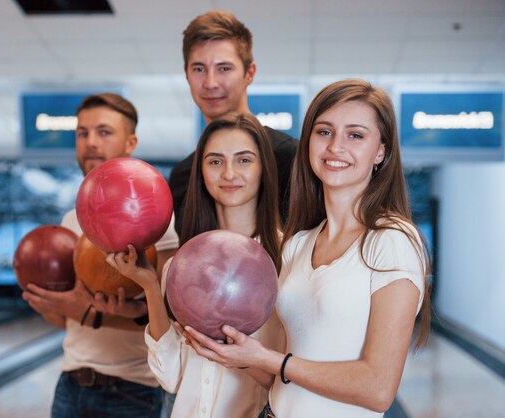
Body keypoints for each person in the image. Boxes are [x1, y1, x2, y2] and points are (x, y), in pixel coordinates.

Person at [182, 79, 432, 418]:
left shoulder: (392, 240)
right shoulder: (297, 244)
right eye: (324, 132)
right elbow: (280, 373)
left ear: (381, 152)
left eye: (355, 135)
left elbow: (377, 388)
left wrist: (270, 360)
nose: (335, 147)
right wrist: (231, 351)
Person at [107, 112, 285, 418]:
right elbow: (171, 376)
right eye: (215, 161)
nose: (229, 173)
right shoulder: (183, 263)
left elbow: (294, 382)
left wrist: (243, 358)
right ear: (201, 172)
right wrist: (150, 285)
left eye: (244, 160)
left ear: (264, 170)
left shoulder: (290, 257)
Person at [22, 93, 178, 418]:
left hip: (132, 390)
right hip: (70, 382)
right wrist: (47, 302)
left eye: (104, 132)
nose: (91, 142)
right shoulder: (70, 219)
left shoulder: (157, 217)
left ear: (130, 142)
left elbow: (169, 320)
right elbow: (68, 318)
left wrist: (91, 315)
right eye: (83, 133)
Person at [168, 9, 298, 236]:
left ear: (250, 73)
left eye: (224, 68)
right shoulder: (183, 176)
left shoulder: (291, 158)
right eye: (199, 69)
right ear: (186, 74)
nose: (210, 82)